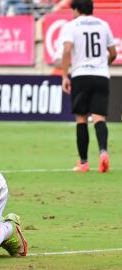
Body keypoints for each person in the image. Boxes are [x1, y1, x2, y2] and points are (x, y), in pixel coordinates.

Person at [60, 0, 117, 173]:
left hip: (81, 75)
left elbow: (67, 50)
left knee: (81, 119)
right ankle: (103, 152)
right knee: (99, 118)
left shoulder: (71, 26)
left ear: (76, 9)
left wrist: (64, 75)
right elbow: (113, 53)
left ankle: (84, 163)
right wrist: (103, 64)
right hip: (101, 75)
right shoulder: (104, 25)